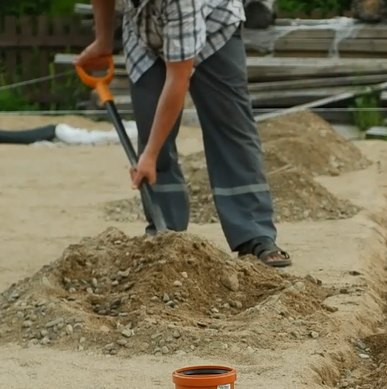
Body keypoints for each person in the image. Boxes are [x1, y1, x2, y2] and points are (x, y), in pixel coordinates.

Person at [76, 0, 291, 267]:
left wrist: (150, 155)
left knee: (229, 126)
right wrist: (103, 40)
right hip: (145, 33)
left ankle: (254, 233)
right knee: (151, 127)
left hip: (214, 26)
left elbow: (178, 79)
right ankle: (164, 233)